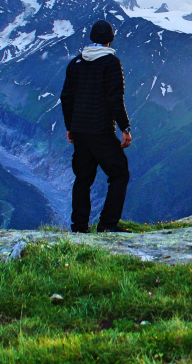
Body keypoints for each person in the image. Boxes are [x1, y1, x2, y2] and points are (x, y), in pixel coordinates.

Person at [60, 19, 132, 233]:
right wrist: (125, 128)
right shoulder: (111, 63)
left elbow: (66, 97)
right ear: (110, 40)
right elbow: (115, 99)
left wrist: (70, 126)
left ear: (92, 39)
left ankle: (79, 226)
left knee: (83, 178)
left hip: (80, 131)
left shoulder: (76, 63)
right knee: (119, 174)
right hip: (101, 130)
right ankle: (108, 224)